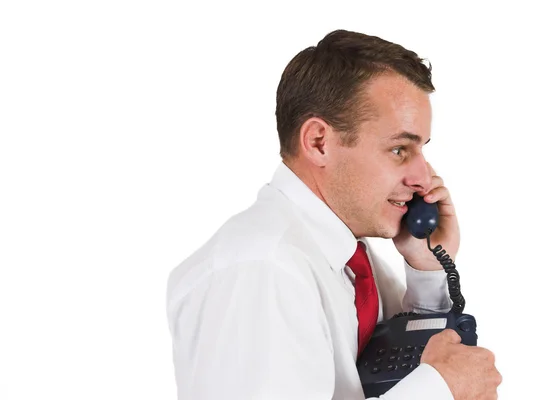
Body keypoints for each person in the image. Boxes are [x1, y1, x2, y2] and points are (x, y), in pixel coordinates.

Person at [166, 29, 502, 400]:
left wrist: (426, 268)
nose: (424, 177)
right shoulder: (261, 268)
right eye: (399, 150)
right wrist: (439, 390)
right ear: (318, 143)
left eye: (420, 149)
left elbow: (396, 370)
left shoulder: (346, 254)